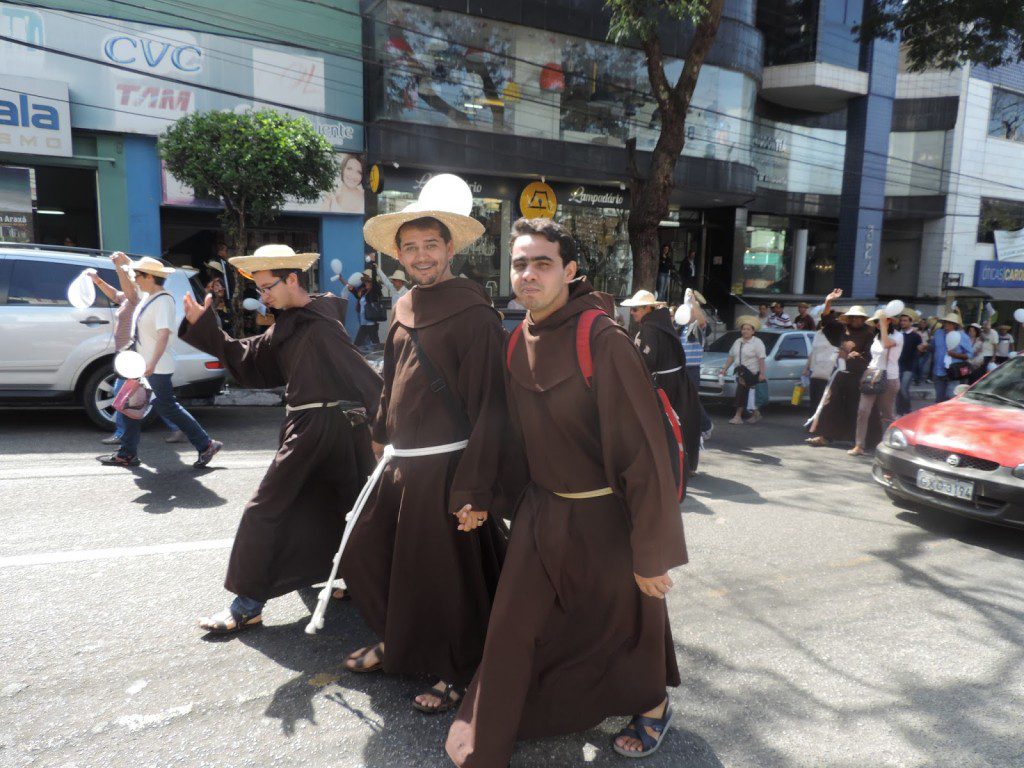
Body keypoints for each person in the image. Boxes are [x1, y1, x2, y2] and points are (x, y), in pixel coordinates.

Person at [446, 217, 686, 766]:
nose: (528, 274)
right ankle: (493, 736)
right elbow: (499, 426)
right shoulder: (515, 339)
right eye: (520, 263)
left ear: (570, 270)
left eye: (542, 263)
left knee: (627, 621)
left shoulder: (603, 340)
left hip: (607, 516)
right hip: (541, 511)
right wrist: (476, 491)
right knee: (512, 623)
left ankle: (652, 705)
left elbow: (643, 453)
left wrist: (651, 553)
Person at [340, 187, 510, 714]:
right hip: (402, 465)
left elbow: (492, 408)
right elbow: (391, 379)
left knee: (447, 575)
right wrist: (379, 434)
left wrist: (475, 488)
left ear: (449, 248)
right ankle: (399, 639)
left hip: (450, 468)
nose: (421, 256)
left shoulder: (475, 313)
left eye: (431, 245)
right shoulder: (403, 304)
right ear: (398, 254)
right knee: (369, 552)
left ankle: (457, 667)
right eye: (410, 247)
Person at [180, 245, 383, 634]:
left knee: (264, 510)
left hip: (320, 428)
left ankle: (247, 605)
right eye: (258, 289)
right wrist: (208, 329)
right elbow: (252, 360)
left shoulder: (319, 324)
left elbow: (362, 375)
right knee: (338, 507)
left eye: (267, 287)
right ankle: (357, 580)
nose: (263, 297)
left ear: (292, 279)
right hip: (317, 426)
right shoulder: (292, 321)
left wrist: (386, 427)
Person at [97, 258, 222, 468]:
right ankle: (127, 453)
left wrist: (152, 364)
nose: (134, 278)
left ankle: (206, 444)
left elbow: (163, 335)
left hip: (155, 367)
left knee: (167, 408)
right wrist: (123, 264)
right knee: (129, 406)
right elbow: (129, 284)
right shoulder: (148, 296)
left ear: (149, 277)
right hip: (142, 366)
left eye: (138, 275)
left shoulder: (163, 301)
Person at [622, 289, 702, 475]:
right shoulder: (660, 323)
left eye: (635, 309)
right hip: (678, 380)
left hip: (666, 383)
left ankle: (668, 464)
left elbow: (648, 360)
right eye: (632, 309)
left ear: (647, 309)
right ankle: (684, 463)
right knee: (682, 420)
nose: (632, 313)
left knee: (664, 422)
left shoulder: (650, 327)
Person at [806, 290, 876, 447]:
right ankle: (824, 436)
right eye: (853, 317)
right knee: (829, 403)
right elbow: (827, 321)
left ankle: (859, 440)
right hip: (839, 372)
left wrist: (856, 356)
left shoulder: (868, 333)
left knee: (856, 406)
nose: (856, 320)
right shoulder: (842, 329)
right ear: (849, 318)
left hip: (857, 374)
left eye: (859, 317)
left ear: (863, 319)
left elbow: (870, 355)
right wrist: (828, 301)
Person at [849, 310, 902, 456]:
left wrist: (884, 326)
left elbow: (887, 344)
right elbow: (874, 359)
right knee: (862, 410)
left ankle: (892, 445)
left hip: (889, 378)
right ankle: (859, 445)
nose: (878, 324)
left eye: (881, 321)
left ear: (889, 321)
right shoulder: (876, 337)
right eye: (877, 321)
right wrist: (866, 374)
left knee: (887, 415)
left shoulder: (898, 336)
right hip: (872, 376)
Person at [679, 290, 714, 439]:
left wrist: (693, 303)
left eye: (692, 310)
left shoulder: (698, 328)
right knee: (683, 400)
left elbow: (702, 322)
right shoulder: (682, 328)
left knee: (692, 400)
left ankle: (706, 425)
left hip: (692, 369)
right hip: (681, 369)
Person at [721, 315, 767, 424]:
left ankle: (738, 416)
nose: (745, 331)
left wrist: (762, 373)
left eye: (748, 329)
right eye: (743, 329)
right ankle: (754, 413)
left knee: (743, 394)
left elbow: (761, 358)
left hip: (752, 373)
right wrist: (724, 369)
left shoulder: (757, 342)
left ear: (753, 331)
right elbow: (731, 356)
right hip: (740, 372)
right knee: (745, 394)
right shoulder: (738, 341)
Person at [927, 313, 972, 403]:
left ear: (955, 325)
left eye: (949, 323)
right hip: (938, 371)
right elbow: (933, 347)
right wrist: (925, 346)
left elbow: (969, 355)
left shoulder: (962, 336)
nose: (946, 325)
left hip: (953, 372)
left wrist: (955, 355)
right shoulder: (938, 333)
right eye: (945, 322)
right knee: (939, 399)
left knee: (951, 397)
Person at [803, 321, 839, 414]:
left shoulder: (836, 335)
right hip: (814, 371)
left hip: (828, 372)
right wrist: (806, 368)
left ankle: (822, 420)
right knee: (814, 399)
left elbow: (838, 354)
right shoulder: (818, 334)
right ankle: (813, 420)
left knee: (823, 399)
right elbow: (813, 352)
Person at [895, 311, 922, 417]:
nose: (902, 322)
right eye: (901, 320)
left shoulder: (916, 336)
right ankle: (899, 412)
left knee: (903, 388)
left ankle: (907, 410)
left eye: (905, 321)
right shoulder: (897, 334)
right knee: (898, 389)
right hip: (898, 365)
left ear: (911, 322)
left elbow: (920, 351)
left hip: (910, 366)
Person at [350, 269, 381, 348]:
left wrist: (373, 266)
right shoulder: (364, 292)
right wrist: (352, 290)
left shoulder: (374, 292)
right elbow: (358, 297)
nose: (365, 283)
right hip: (364, 323)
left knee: (375, 344)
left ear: (371, 283)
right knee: (357, 344)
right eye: (365, 282)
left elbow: (375, 283)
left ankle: (382, 354)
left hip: (371, 323)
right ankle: (355, 355)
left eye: (367, 281)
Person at [914, 318, 931, 384]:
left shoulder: (928, 331)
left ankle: (918, 379)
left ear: (926, 324)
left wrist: (926, 346)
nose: (922, 324)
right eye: (921, 322)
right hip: (917, 349)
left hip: (925, 350)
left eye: (924, 322)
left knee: (921, 364)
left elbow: (930, 340)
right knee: (917, 365)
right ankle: (916, 378)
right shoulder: (916, 330)